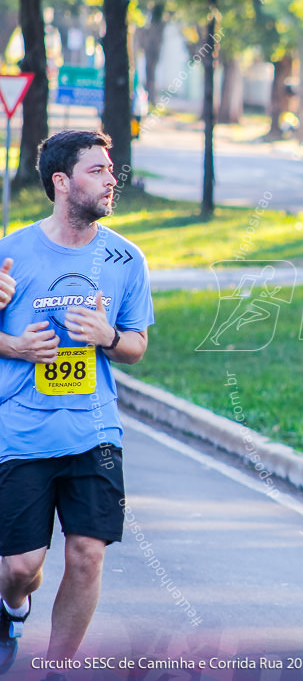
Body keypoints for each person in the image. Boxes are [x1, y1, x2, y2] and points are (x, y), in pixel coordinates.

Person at [0, 130, 155, 673]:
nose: (112, 179)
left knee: (88, 556)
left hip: (95, 431)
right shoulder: (10, 252)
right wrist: (16, 346)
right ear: (62, 182)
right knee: (20, 566)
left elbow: (136, 345)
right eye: (98, 170)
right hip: (20, 429)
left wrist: (107, 337)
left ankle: (56, 667)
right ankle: (11, 606)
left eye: (111, 170)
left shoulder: (126, 257)